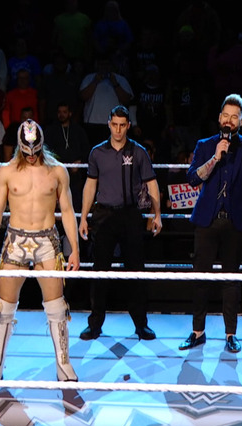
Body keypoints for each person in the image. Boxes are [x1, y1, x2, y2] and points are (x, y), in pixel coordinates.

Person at [0, 119, 80, 385]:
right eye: (27, 152)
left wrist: (75, 249)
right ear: (20, 147)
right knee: (3, 307)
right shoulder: (7, 172)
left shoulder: (57, 171)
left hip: (47, 240)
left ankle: (63, 365)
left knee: (57, 306)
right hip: (15, 240)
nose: (32, 157)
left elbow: (67, 211)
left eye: (36, 151)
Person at [180, 93, 242, 354]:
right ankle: (198, 332)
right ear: (219, 118)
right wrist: (215, 158)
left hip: (235, 223)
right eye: (226, 116)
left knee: (231, 280)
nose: (229, 121)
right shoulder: (205, 145)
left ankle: (231, 334)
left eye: (235, 117)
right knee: (200, 278)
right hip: (207, 221)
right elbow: (193, 179)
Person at [77, 105, 162, 341]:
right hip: (104, 215)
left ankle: (141, 324)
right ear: (108, 124)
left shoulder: (139, 152)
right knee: (99, 272)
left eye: (122, 125)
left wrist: (157, 214)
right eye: (114, 124)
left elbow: (152, 183)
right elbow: (90, 185)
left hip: (130, 214)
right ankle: (95, 324)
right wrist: (83, 217)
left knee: (136, 271)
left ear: (128, 126)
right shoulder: (97, 153)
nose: (118, 129)